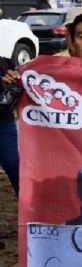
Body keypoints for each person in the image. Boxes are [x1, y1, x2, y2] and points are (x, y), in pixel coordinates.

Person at [0, 58, 21, 195]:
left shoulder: (5, 63)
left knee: (13, 165)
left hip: (4, 123)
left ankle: (27, 202)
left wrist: (17, 78)